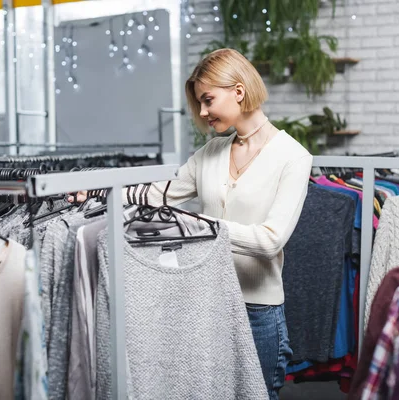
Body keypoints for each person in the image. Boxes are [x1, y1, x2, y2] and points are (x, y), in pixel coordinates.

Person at [69, 48, 313, 399]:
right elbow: (157, 195)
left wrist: (198, 227)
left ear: (239, 92)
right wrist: (98, 191)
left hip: (257, 310)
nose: (202, 112)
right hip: (206, 300)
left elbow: (269, 241)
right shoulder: (210, 153)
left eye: (208, 99)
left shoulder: (293, 157)